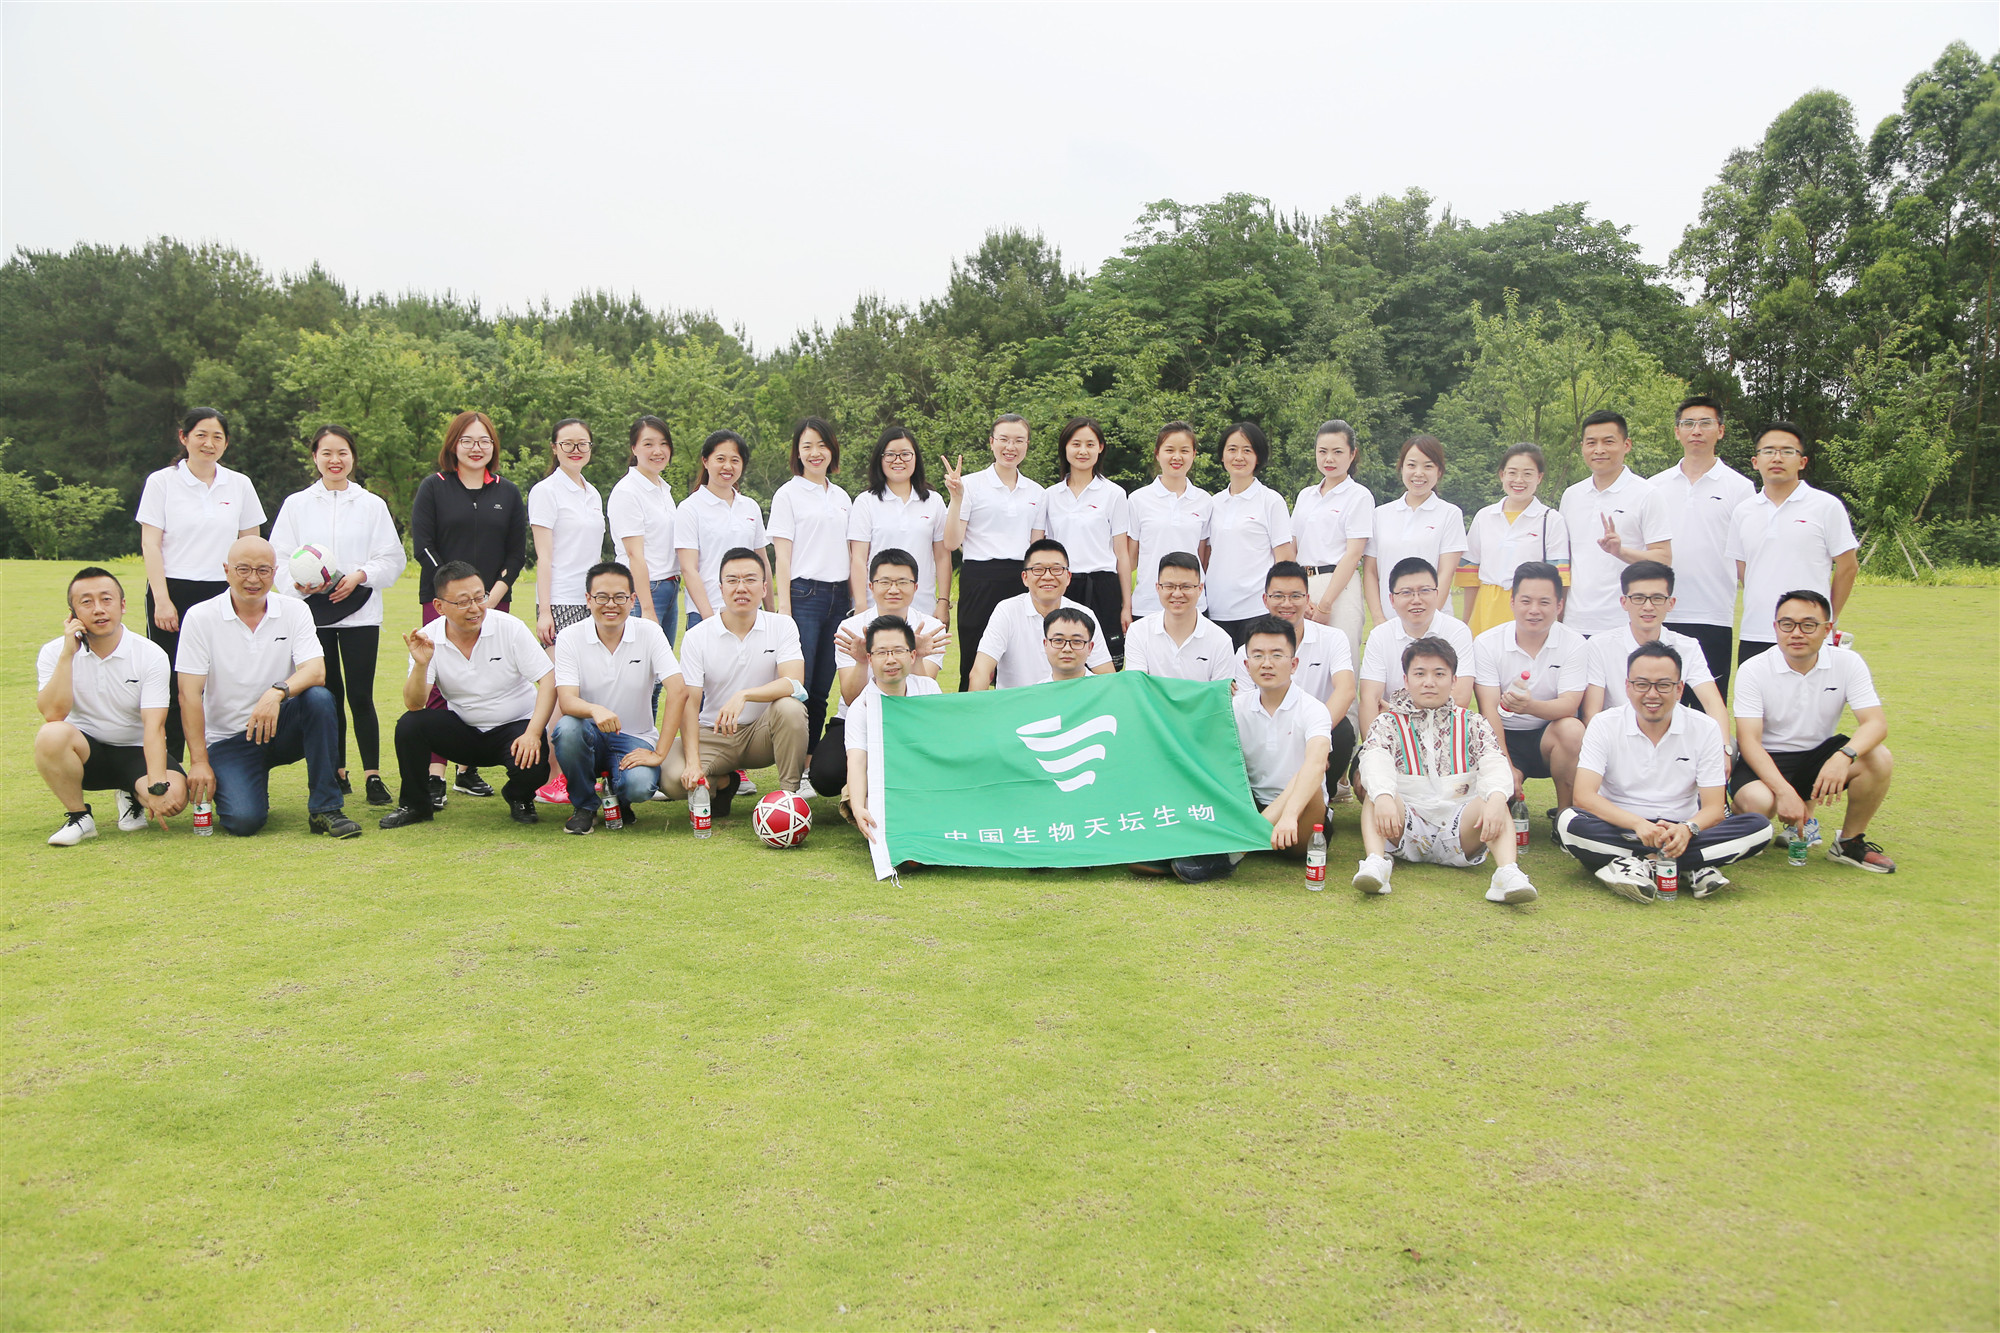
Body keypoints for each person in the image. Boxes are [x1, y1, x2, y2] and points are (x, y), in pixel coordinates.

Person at [175, 536, 360, 838]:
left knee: (319, 698)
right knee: (243, 822)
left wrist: (276, 693)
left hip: (281, 725)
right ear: (226, 570)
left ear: (275, 573)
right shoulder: (200, 617)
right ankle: (248, 786)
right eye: (243, 569)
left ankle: (325, 809)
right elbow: (189, 694)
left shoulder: (294, 610)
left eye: (263, 570)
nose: (253, 579)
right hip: (230, 739)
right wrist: (198, 762)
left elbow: (316, 671)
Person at [1557, 642, 1771, 901]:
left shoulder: (1705, 728)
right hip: (1621, 827)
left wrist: (1687, 830)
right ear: (1628, 687)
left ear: (1679, 689)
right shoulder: (1604, 724)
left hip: (1682, 829)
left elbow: (1714, 808)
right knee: (1568, 822)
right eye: (1642, 684)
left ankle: (1638, 864)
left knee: (1759, 827)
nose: (1652, 694)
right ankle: (1691, 866)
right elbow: (1583, 796)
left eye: (1663, 685)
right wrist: (1638, 824)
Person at [270, 424, 407, 806]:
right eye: (327, 453)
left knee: (361, 695)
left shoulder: (371, 504)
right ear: (315, 457)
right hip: (312, 614)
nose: (335, 460)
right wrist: (298, 584)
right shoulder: (296, 504)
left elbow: (392, 558)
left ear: (353, 458)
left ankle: (373, 775)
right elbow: (278, 556)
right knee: (327, 695)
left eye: (342, 453)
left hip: (361, 612)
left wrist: (360, 575)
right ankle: (336, 770)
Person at [1353, 636, 1538, 905]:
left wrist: (1498, 798)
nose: (1429, 682)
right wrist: (1383, 797)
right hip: (1404, 827)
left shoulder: (1473, 722)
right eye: (1420, 674)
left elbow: (1494, 763)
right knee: (1377, 794)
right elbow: (1374, 760)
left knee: (1493, 798)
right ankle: (1376, 863)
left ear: (1453, 681)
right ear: (1406, 680)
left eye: (1439, 674)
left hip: (1461, 831)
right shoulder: (1387, 723)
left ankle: (1507, 873)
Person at [377, 561, 557, 828]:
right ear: (439, 606)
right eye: (463, 602)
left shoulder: (510, 627)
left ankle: (518, 797)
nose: (475, 608)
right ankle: (415, 805)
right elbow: (415, 704)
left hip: (515, 728)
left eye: (479, 597)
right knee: (410, 725)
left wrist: (533, 732)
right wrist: (421, 665)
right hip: (464, 729)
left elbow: (548, 679)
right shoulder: (429, 637)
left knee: (534, 760)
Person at [408, 409, 527, 807]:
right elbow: (423, 545)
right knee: (440, 678)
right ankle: (436, 773)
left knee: (489, 677)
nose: (476, 448)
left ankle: (467, 770)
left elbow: (516, 552)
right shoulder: (434, 487)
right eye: (468, 441)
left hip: (495, 599)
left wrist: (492, 596)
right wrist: (455, 595)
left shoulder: (507, 492)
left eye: (484, 441)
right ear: (453, 445)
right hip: (443, 601)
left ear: (493, 446)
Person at [1730, 591, 1896, 872]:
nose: (1796, 633)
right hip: (1766, 759)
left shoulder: (1848, 662)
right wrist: (1784, 792)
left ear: (1827, 629)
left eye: (1808, 625)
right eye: (1787, 624)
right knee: (1760, 804)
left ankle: (1849, 843)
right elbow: (1749, 741)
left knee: (1879, 758)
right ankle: (1737, 813)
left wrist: (1843, 756)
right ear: (1775, 627)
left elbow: (1876, 723)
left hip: (1818, 757)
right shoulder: (1754, 669)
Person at [136, 407, 266, 760]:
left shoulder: (239, 484)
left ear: (226, 443)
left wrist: (250, 593)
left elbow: (251, 545)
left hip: (225, 593)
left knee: (222, 678)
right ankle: (169, 764)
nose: (209, 443)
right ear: (184, 437)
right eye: (201, 435)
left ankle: (222, 758)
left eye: (217, 437)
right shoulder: (161, 482)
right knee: (172, 680)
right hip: (173, 591)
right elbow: (151, 544)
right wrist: (162, 600)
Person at [1165, 615, 1333, 885]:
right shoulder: (1236, 707)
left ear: (1294, 664)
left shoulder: (1313, 709)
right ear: (1246, 664)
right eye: (1258, 655)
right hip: (1251, 807)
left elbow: (1316, 764)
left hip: (1299, 819)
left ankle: (1235, 852)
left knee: (1308, 772)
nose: (1266, 663)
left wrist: (1289, 816)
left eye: (1277, 655)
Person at [35, 567, 187, 845]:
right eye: (86, 602)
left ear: (122, 605)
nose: (98, 609)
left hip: (136, 752)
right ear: (72, 613)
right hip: (87, 754)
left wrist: (156, 787)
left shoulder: (150, 654)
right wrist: (68, 654)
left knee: (175, 798)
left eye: (106, 599)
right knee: (51, 734)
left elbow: (154, 726)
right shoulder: (54, 652)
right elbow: (53, 714)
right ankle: (80, 817)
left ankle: (132, 793)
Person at [663, 548, 809, 816]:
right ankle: (724, 782)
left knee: (791, 708)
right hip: (715, 733)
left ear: (764, 588)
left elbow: (793, 682)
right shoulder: (698, 636)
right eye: (732, 580)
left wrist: (744, 695)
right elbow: (690, 702)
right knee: (672, 779)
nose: (741, 587)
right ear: (721, 588)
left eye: (750, 579)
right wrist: (693, 762)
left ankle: (789, 799)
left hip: (762, 734)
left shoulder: (782, 625)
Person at [550, 561, 687, 835]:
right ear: (588, 599)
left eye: (620, 597)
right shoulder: (569, 637)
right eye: (601, 597)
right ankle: (584, 806)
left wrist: (660, 752)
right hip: (588, 733)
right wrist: (595, 710)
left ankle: (621, 799)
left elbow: (679, 689)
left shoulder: (649, 632)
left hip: (635, 737)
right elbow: (566, 700)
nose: (610, 605)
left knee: (639, 786)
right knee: (567, 728)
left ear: (632, 599)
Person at [810, 549, 948, 802]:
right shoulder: (851, 628)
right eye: (885, 582)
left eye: (902, 582)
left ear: (916, 587)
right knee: (825, 775)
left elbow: (924, 697)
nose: (893, 589)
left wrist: (916, 656)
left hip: (911, 721)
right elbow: (851, 698)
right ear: (871, 586)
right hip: (858, 718)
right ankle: (860, 787)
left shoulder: (930, 628)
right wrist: (862, 662)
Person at [1726, 421, 1859, 669]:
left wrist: (1826, 618)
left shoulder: (1826, 506)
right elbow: (1743, 568)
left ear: (1802, 462)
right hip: (1755, 632)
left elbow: (1848, 566)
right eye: (1768, 451)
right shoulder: (1743, 512)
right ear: (1755, 461)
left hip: (1809, 633)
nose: (1777, 458)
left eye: (1787, 451)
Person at [1649, 396, 1754, 696]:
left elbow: (1747, 554)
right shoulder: (1654, 486)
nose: (1696, 430)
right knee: (1657, 699)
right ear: (1677, 431)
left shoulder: (1740, 487)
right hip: (1660, 611)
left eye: (1705, 423)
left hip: (1713, 613)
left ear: (1720, 431)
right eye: (1688, 423)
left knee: (1708, 702)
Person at [769, 416, 852, 795]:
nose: (815, 453)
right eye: (807, 446)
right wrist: (784, 607)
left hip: (840, 598)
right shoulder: (788, 495)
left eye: (822, 445)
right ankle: (792, 770)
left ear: (832, 450)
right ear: (797, 453)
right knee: (798, 686)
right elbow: (782, 556)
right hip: (804, 596)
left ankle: (808, 764)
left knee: (821, 687)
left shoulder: (842, 497)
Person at [1471, 561, 1588, 811]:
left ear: (1559, 605)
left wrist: (1529, 706)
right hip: (1501, 736)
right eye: (1526, 601)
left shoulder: (1574, 643)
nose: (1534, 610)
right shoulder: (1486, 643)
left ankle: (1566, 815)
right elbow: (1488, 710)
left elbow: (1569, 705)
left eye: (1544, 602)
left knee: (1572, 730)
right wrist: (1504, 764)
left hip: (1548, 736)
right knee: (1494, 807)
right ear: (1512, 602)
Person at [1230, 561, 1359, 782]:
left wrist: (1313, 734)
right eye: (1278, 596)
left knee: (1344, 731)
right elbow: (1245, 708)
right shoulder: (1247, 651)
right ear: (1265, 600)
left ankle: (1324, 793)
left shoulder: (1332, 639)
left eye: (1295, 596)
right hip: (1266, 737)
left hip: (1315, 733)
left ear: (1307, 600)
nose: (1287, 604)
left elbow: (1346, 691)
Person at [942, 415, 1043, 691]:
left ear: (1027, 444)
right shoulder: (969, 485)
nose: (1011, 447)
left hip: (1021, 580)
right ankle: (970, 717)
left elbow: (1036, 548)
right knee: (974, 663)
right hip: (980, 579)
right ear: (991, 442)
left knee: (1020, 664)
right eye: (1004, 439)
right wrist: (956, 498)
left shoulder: (1037, 492)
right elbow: (951, 542)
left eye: (1019, 440)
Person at [1581, 562, 1732, 745]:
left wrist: (1724, 747)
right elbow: (1592, 712)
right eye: (1638, 598)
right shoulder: (1599, 645)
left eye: (1657, 598)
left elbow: (1712, 702)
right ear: (1624, 602)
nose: (1648, 606)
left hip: (1670, 741)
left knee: (1728, 743)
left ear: (1671, 603)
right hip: (1617, 741)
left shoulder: (1688, 646)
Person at [1557, 410, 1673, 636]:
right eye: (1591, 442)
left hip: (1623, 622)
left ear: (1626, 445)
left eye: (1608, 442)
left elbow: (1664, 558)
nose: (1599, 449)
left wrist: (1620, 552)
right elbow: (1566, 560)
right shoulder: (1572, 495)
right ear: (1582, 447)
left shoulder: (1647, 494)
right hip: (1574, 622)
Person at [1030, 417, 1133, 660]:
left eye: (1090, 444)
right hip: (1062, 585)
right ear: (1065, 448)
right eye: (1076, 444)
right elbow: (1036, 549)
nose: (1083, 451)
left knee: (1105, 661)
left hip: (1103, 587)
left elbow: (1122, 554)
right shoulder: (1049, 495)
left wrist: (1126, 606)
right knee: (1063, 657)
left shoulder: (1114, 494)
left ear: (1100, 448)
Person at [845, 614, 945, 848]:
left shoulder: (928, 690)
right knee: (898, 844)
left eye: (898, 651)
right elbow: (857, 762)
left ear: (912, 655)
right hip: (881, 784)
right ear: (869, 659)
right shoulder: (861, 707)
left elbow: (943, 743)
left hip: (924, 780)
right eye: (882, 652)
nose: (891, 660)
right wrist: (858, 807)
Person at [968, 539, 1113, 690]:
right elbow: (980, 673)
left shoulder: (1084, 615)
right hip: (1019, 702)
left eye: (1056, 569)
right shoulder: (1007, 611)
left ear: (1068, 577)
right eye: (1038, 570)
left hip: (1069, 702)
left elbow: (1106, 675)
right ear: (1025, 577)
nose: (1048, 576)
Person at [1204, 422, 1297, 646]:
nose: (1239, 457)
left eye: (1247, 450)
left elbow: (1284, 558)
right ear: (1222, 455)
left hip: (1257, 610)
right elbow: (1207, 556)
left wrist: (1282, 602)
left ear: (1258, 457)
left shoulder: (1271, 500)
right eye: (1232, 449)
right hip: (1216, 609)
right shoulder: (1213, 503)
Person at [1461, 443, 1569, 634]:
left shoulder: (1551, 519)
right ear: (1502, 475)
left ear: (1539, 477)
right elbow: (1470, 574)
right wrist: (1466, 623)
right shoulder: (1484, 516)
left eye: (1527, 474)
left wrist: (1558, 624)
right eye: (1512, 473)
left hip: (1530, 609)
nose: (1519, 480)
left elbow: (1560, 580)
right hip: (1486, 609)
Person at [1358, 557, 1476, 732]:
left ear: (1437, 594)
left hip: (1444, 731)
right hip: (1394, 733)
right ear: (1392, 599)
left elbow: (1459, 697)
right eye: (1406, 593)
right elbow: (1370, 700)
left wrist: (1397, 712)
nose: (1416, 600)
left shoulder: (1457, 631)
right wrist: (1374, 745)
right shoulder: (1380, 636)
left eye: (1424, 591)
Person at [848, 426, 951, 625]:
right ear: (880, 459)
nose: (898, 460)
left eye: (905, 454)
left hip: (923, 605)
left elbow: (942, 556)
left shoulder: (934, 501)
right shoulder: (866, 502)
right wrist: (860, 605)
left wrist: (943, 602)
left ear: (916, 458)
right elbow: (858, 559)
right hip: (876, 605)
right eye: (890, 455)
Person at [1363, 435, 1466, 632]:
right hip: (1388, 623)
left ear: (1439, 471)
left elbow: (1446, 573)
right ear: (1401, 467)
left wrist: (1426, 622)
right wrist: (1378, 618)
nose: (1419, 473)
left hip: (1434, 624)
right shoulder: (1380, 514)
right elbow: (1370, 572)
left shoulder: (1450, 514)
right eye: (1411, 465)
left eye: (1428, 466)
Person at [1292, 419, 1372, 666]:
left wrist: (1326, 604)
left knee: (1341, 661)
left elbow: (1353, 554)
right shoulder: (1306, 496)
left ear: (1352, 454)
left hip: (1339, 588)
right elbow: (1293, 546)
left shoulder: (1359, 496)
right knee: (1301, 661)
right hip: (1303, 586)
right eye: (1323, 451)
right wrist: (1299, 594)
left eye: (1337, 452)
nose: (1329, 459)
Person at [529, 417, 608, 649]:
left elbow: (594, 553)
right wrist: (545, 611)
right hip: (560, 600)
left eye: (582, 444)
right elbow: (544, 557)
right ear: (554, 448)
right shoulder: (545, 491)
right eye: (567, 444)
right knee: (561, 669)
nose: (576, 450)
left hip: (594, 600)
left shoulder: (593, 493)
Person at [1127, 422, 1215, 628]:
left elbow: (1202, 556)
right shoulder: (1138, 499)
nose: (1177, 457)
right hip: (1147, 603)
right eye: (1169, 450)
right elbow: (1131, 558)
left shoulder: (1204, 501)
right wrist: (1124, 602)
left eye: (1184, 451)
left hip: (1192, 603)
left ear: (1194, 454)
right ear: (1157, 454)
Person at [607, 414, 679, 640]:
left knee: (662, 660)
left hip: (670, 586)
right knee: (641, 658)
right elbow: (634, 554)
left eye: (664, 443)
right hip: (645, 590)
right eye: (648, 444)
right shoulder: (627, 491)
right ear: (634, 448)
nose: (658, 451)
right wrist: (647, 609)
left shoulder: (662, 489)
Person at [1124, 552, 1234, 683]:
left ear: (1200, 589)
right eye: (1169, 586)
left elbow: (1219, 693)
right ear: (1158, 588)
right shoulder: (1138, 632)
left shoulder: (1221, 640)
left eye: (1186, 587)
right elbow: (1137, 686)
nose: (1177, 594)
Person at [1040, 606, 1101, 683]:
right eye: (1058, 640)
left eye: (1076, 641)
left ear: (1090, 647)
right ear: (1045, 645)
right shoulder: (1037, 690)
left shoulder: (1105, 689)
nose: (1067, 649)